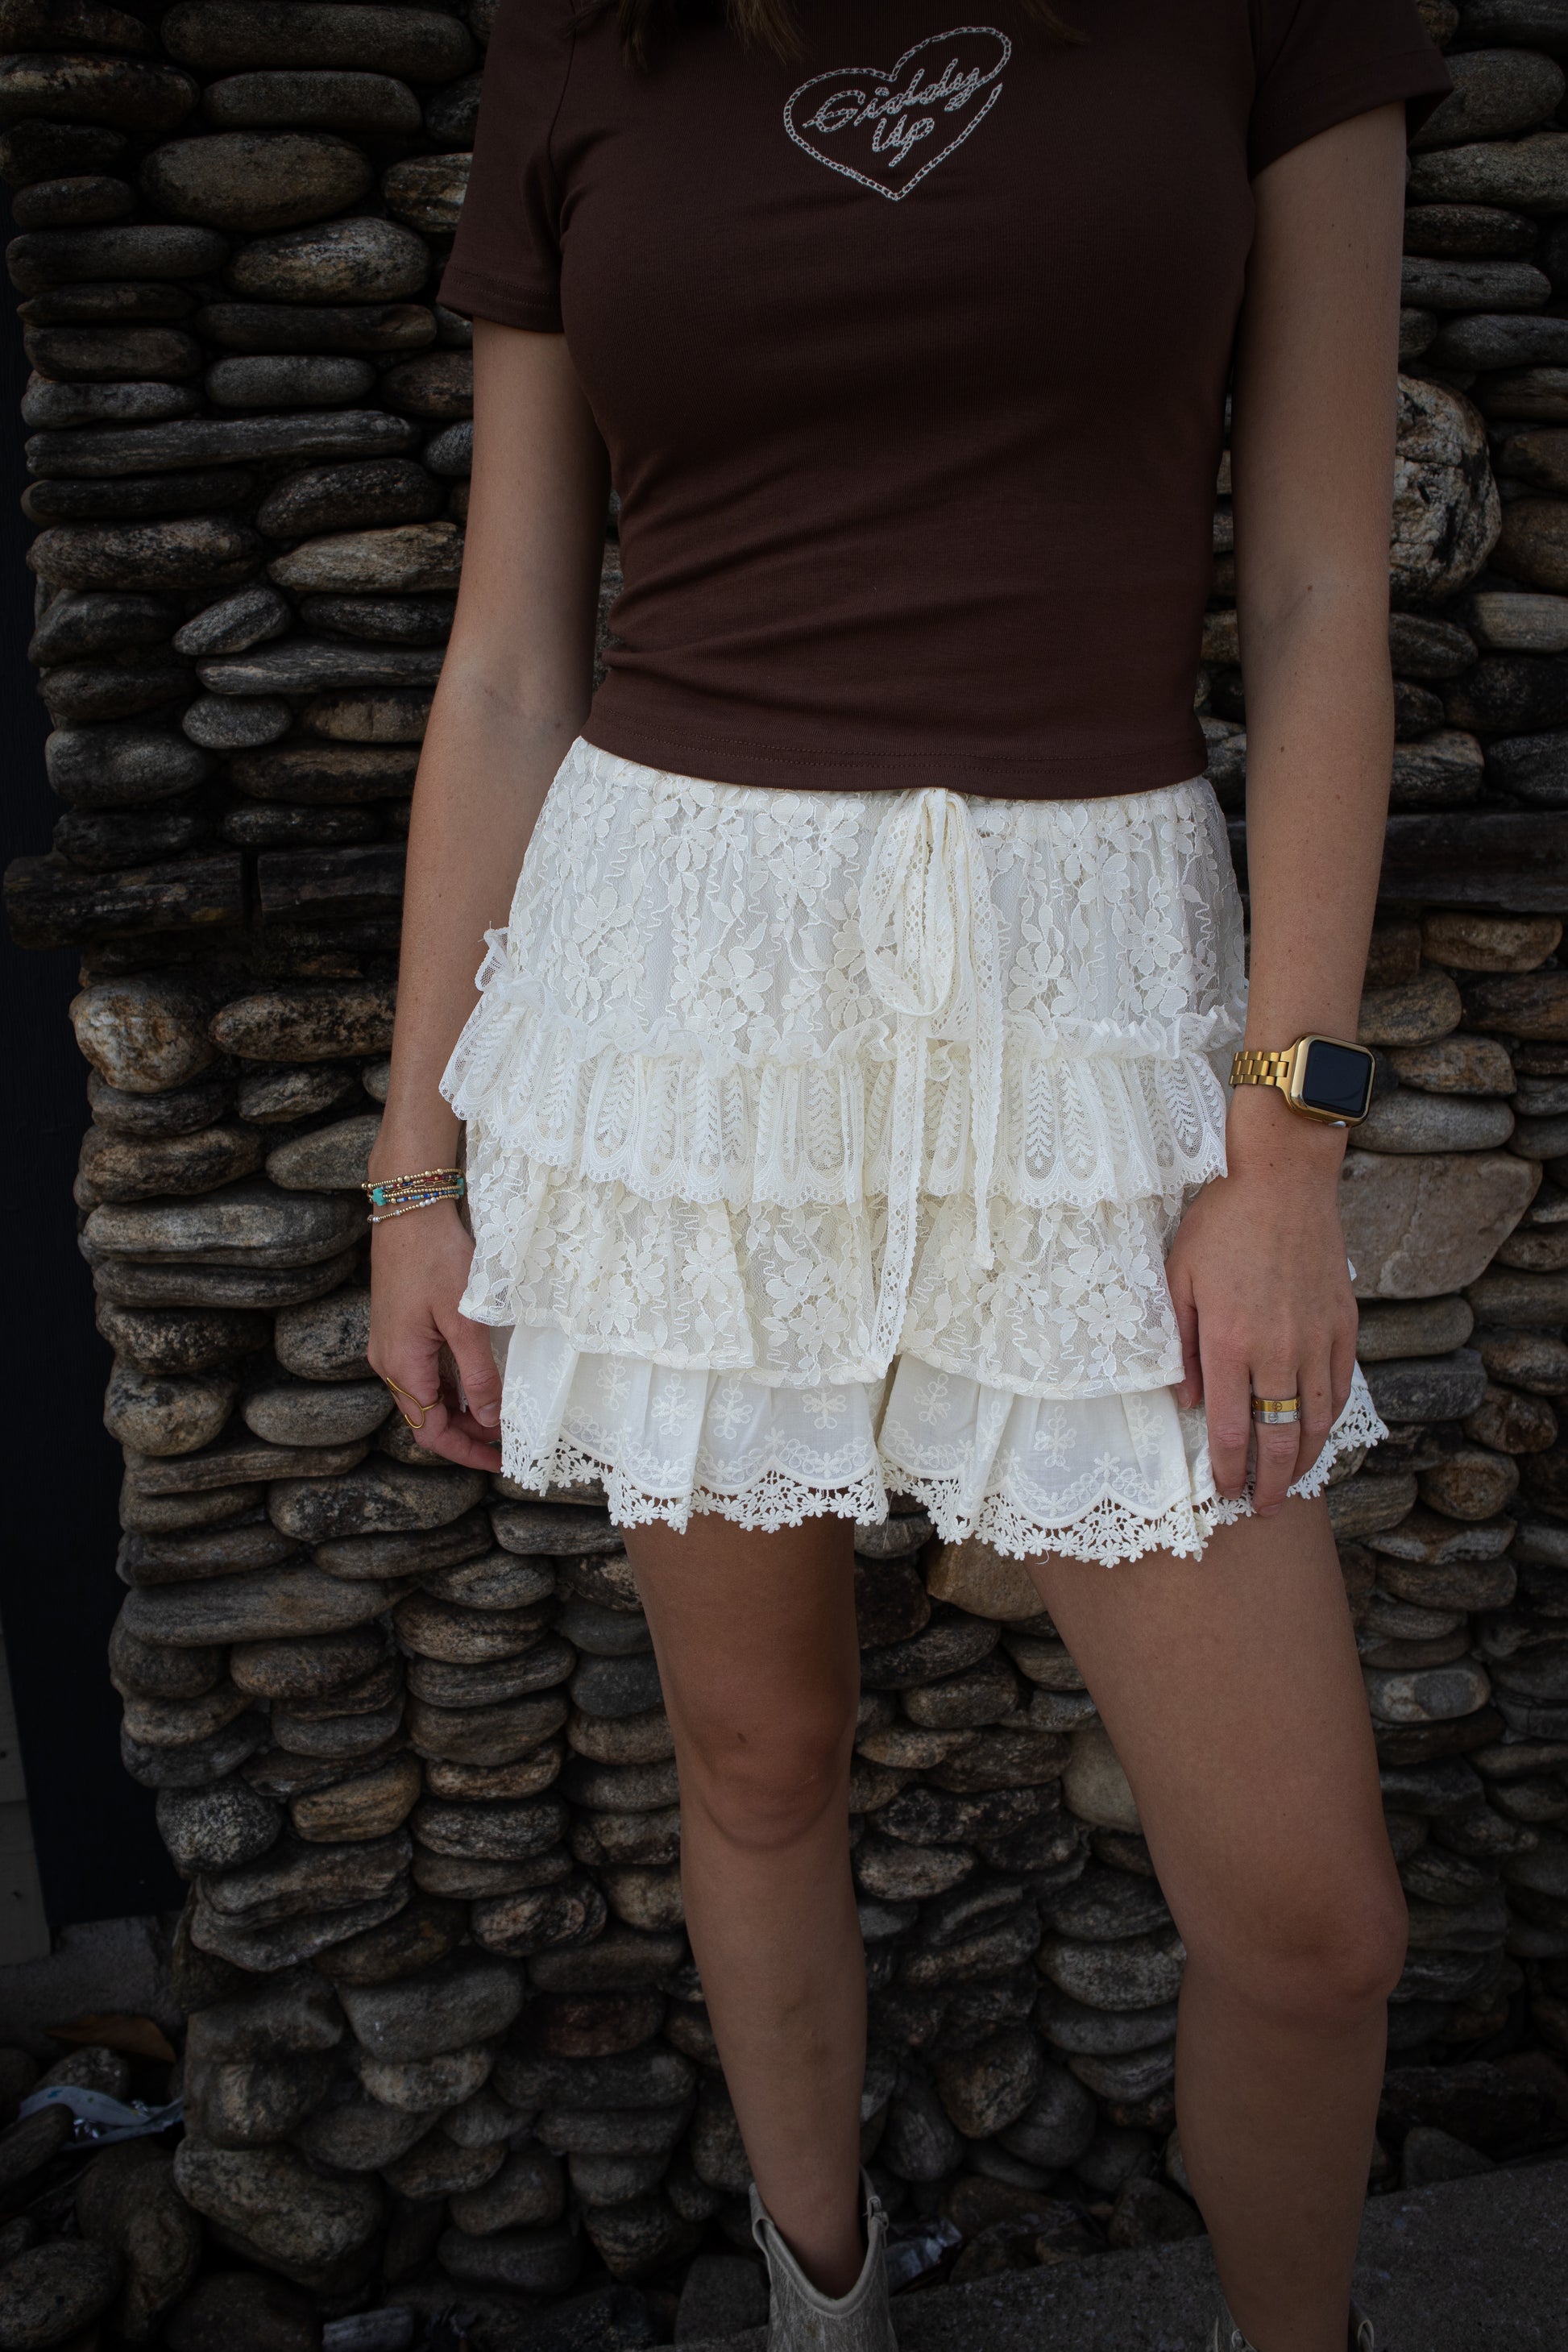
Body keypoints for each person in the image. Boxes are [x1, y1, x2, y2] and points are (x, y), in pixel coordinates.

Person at [366, 6, 1454, 2348]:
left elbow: (1318, 597)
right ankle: (821, 2303)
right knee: (762, 1760)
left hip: (1097, 1000)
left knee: (1309, 1921)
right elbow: (510, 660)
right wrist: (409, 1168)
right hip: (683, 1003)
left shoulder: (1256, 19)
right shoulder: (589, 46)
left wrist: (1288, 1139)